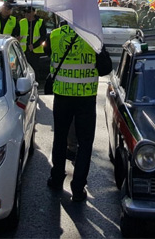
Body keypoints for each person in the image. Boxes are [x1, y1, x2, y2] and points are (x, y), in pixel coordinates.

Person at [46, 22, 98, 202]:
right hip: (86, 97)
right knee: (85, 143)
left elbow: (49, 55)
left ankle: (57, 178)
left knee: (60, 138)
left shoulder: (54, 35)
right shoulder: (93, 36)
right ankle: (78, 187)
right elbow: (105, 67)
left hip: (62, 96)